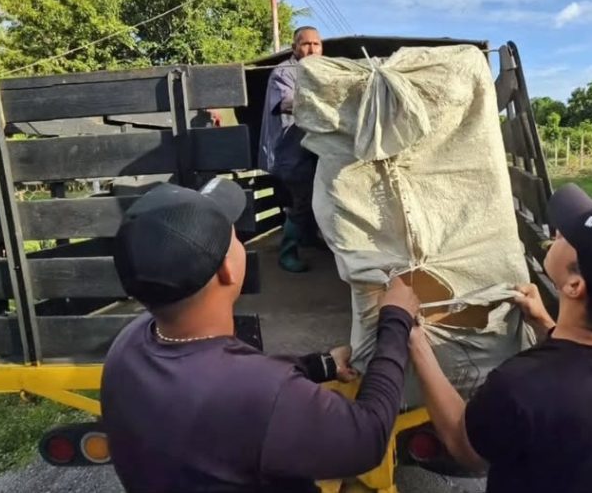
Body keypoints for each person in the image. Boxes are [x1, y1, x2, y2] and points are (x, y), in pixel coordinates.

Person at [100, 177, 421, 493]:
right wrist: (395, 321)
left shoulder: (128, 345)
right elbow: (368, 438)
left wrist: (319, 365)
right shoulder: (259, 394)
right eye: (234, 236)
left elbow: (246, 379)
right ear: (227, 269)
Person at [409, 183, 592, 493]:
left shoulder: (521, 385)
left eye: (570, 237)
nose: (559, 231)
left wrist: (415, 340)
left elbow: (464, 445)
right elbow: (589, 364)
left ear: (575, 286)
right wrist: (545, 323)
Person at [258, 26, 324, 273]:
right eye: (306, 44)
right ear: (295, 47)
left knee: (314, 196)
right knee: (301, 200)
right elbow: (286, 102)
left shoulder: (321, 70)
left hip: (309, 148)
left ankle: (308, 238)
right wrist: (326, 101)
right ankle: (287, 253)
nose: (312, 49)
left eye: (316, 44)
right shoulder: (284, 72)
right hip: (289, 150)